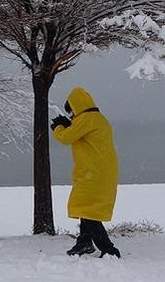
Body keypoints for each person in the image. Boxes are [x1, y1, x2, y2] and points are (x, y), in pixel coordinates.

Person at [51, 86, 121, 258]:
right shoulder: (97, 118)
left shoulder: (87, 118)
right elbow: (80, 134)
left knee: (89, 211)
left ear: (76, 106)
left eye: (71, 111)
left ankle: (109, 249)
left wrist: (59, 127)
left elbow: (66, 138)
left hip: (93, 173)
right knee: (86, 208)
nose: (71, 115)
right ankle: (84, 243)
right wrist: (70, 125)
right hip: (100, 172)